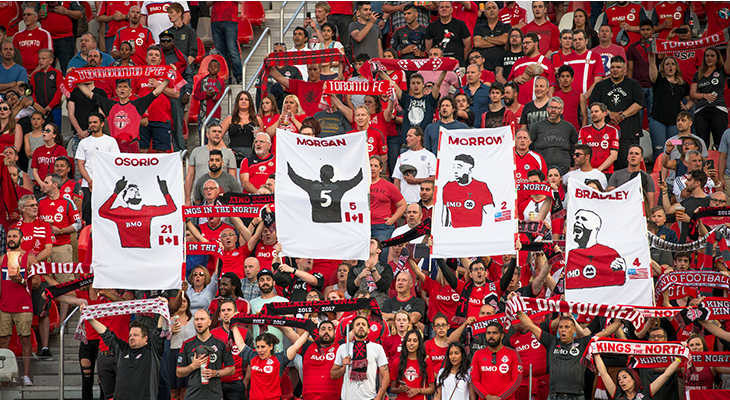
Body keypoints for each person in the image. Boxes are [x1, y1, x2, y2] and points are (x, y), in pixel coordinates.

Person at [515, 303, 622, 400]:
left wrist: (622, 319)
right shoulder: (551, 341)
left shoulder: (583, 342)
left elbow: (606, 332)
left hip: (576, 396)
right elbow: (530, 325)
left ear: (574, 330)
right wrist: (517, 309)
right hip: (554, 395)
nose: (563, 329)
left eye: (567, 327)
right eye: (560, 327)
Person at [85, 299, 168, 400]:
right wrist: (89, 318)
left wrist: (164, 307)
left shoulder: (152, 350)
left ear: (145, 338)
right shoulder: (122, 349)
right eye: (130, 335)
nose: (131, 337)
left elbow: (159, 330)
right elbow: (106, 334)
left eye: (135, 335)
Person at [75, 75, 170, 153]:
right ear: (116, 91)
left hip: (132, 145)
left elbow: (156, 92)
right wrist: (76, 79)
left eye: (125, 87)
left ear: (130, 90)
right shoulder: (110, 105)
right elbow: (89, 94)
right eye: (120, 87)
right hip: (114, 146)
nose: (122, 89)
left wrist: (168, 78)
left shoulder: (137, 104)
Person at [590, 56, 646, 170]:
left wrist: (622, 115)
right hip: (605, 132)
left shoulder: (633, 84)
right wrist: (609, 113)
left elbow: (640, 103)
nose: (615, 69)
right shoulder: (601, 86)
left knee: (628, 162)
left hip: (629, 130)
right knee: (607, 164)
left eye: (618, 67)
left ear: (624, 69)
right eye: (613, 67)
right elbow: (593, 104)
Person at [0, 228, 40, 386]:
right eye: (9, 236)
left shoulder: (30, 258)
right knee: (3, 341)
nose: (11, 239)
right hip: (5, 305)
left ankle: (26, 375)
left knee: (25, 339)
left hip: (23, 305)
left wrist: (22, 281)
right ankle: (4, 375)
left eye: (14, 236)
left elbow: (37, 283)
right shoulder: (2, 258)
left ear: (21, 239)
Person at [231, 324, 309, 400]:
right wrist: (234, 325)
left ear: (271, 346)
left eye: (263, 347)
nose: (260, 350)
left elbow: (296, 346)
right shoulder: (253, 357)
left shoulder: (279, 359)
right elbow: (240, 343)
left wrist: (309, 331)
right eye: (258, 347)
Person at [176, 309, 235, 400]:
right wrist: (193, 366)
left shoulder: (221, 343)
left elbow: (231, 369)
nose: (199, 322)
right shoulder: (187, 344)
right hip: (193, 395)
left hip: (214, 394)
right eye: (197, 319)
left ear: (209, 322)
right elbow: (179, 373)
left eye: (202, 319)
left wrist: (215, 373)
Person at [75, 113, 120, 224]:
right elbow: (80, 164)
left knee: (105, 215)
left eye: (95, 122)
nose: (92, 125)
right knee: (88, 216)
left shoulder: (111, 141)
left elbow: (114, 163)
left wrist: (100, 182)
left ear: (102, 123)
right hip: (87, 184)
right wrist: (90, 182)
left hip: (105, 184)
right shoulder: (83, 143)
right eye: (90, 123)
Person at [331, 315, 390, 400]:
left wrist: (378, 397)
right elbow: (333, 375)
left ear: (369, 330)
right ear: (353, 331)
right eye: (358, 324)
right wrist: (344, 367)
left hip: (369, 397)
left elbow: (385, 375)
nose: (361, 326)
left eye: (364, 324)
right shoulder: (344, 348)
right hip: (347, 398)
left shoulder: (377, 348)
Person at [648, 53, 693, 162]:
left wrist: (686, 106)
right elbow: (652, 64)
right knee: (659, 150)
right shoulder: (658, 79)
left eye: (672, 64)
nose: (670, 66)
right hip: (658, 121)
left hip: (675, 124)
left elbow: (692, 99)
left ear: (676, 67)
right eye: (667, 64)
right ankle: (658, 175)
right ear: (663, 67)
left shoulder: (683, 84)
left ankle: (672, 176)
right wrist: (651, 50)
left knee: (675, 149)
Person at [185, 123, 237, 205]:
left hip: (222, 200)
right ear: (207, 134)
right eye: (214, 131)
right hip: (200, 198)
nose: (217, 134)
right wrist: (187, 199)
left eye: (219, 132)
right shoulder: (196, 152)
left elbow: (233, 179)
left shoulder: (228, 154)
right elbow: (190, 176)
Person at [690, 46, 730, 149]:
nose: (709, 58)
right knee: (702, 145)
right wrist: (704, 95)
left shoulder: (722, 70)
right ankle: (703, 164)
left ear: (718, 58)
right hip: (701, 111)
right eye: (707, 56)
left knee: (719, 144)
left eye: (712, 56)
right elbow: (692, 93)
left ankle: (719, 165)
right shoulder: (698, 74)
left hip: (718, 109)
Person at [594, 353, 682, 400]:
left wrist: (679, 358)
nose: (621, 381)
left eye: (624, 377)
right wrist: (596, 354)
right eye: (619, 379)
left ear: (633, 379)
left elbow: (666, 375)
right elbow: (603, 373)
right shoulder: (617, 393)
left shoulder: (646, 391)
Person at [471, 322, 522, 400]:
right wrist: (486, 396)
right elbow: (474, 380)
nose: (491, 336)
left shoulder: (513, 354)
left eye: (494, 333)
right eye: (488, 333)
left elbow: (517, 380)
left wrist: (500, 398)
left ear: (501, 336)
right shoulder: (478, 354)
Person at [529, 97, 579, 175]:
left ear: (562, 111)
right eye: (551, 107)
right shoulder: (537, 126)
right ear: (547, 109)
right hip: (541, 171)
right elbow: (525, 146)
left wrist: (576, 166)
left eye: (556, 108)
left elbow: (578, 147)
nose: (553, 110)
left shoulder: (568, 127)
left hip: (565, 171)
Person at [509, 32, 556, 108]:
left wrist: (549, 106)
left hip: (538, 107)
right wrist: (515, 79)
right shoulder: (518, 62)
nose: (524, 45)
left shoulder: (546, 62)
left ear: (536, 44)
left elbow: (551, 87)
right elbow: (509, 83)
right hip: (518, 107)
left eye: (528, 43)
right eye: (523, 43)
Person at [393, 127, 436, 204]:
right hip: (405, 202)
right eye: (407, 136)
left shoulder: (430, 156)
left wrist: (416, 181)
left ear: (419, 137)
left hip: (423, 202)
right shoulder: (402, 157)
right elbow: (397, 180)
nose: (407, 139)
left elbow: (434, 178)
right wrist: (399, 201)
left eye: (410, 136)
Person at [369, 155, 406, 244]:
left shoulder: (388, 186)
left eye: (376, 166)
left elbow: (402, 204)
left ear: (381, 169)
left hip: (382, 227)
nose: (372, 168)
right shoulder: (360, 185)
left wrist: (393, 219)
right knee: (362, 256)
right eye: (370, 165)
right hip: (362, 226)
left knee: (383, 255)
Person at [390, 329, 435, 399]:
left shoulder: (426, 362)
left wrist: (418, 390)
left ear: (419, 343)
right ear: (405, 342)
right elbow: (392, 389)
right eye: (409, 340)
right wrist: (399, 389)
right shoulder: (397, 362)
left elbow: (432, 389)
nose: (411, 343)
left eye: (415, 341)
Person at [425, 1, 471, 68]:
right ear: (438, 9)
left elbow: (468, 47)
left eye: (447, 7)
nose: (444, 9)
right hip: (437, 66)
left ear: (452, 9)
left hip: (457, 65)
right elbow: (428, 49)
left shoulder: (460, 25)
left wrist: (460, 62)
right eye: (441, 7)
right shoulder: (431, 26)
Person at [578, 102, 619, 175]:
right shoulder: (584, 130)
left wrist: (598, 171)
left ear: (604, 113)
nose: (593, 114)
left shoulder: (612, 131)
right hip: (587, 172)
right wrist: (590, 170)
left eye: (596, 111)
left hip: (607, 172)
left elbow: (614, 155)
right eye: (592, 112)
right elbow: (580, 153)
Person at [169, 291, 195, 400]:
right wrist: (170, 331)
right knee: (173, 391)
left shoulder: (194, 320)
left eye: (185, 301)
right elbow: (160, 337)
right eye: (180, 301)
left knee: (186, 391)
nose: (182, 303)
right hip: (173, 354)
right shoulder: (168, 320)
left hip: (189, 355)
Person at [12, 8, 52, 75]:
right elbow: (14, 58)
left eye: (29, 14)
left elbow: (47, 56)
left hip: (40, 73)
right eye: (24, 15)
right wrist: (23, 73)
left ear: (36, 18)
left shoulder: (44, 34)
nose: (26, 17)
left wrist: (33, 74)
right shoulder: (17, 36)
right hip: (20, 73)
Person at [473, 1, 510, 71]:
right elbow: (477, 43)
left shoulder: (506, 26)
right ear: (485, 13)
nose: (491, 10)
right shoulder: (479, 27)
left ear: (498, 10)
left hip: (502, 67)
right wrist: (498, 41)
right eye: (488, 8)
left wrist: (486, 38)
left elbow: (504, 40)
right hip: (484, 68)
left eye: (494, 8)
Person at [30, 49, 62, 126]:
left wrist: (50, 106)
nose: (41, 61)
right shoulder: (35, 75)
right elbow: (33, 91)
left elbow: (60, 91)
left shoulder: (57, 73)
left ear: (51, 61)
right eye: (39, 59)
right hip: (39, 108)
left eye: (43, 59)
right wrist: (37, 106)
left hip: (55, 108)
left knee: (55, 130)